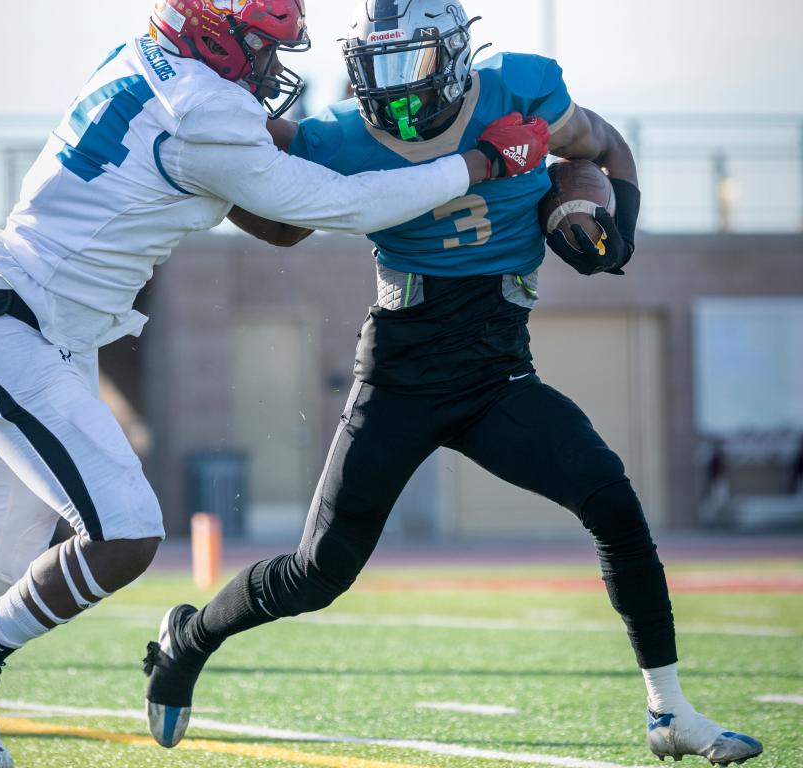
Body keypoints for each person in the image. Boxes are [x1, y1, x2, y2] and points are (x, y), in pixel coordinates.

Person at [0, 1, 547, 766]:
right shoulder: (205, 108)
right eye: (260, 44)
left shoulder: (142, 62)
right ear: (214, 30)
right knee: (125, 533)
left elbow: (279, 221)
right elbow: (337, 208)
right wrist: (477, 165)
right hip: (16, 330)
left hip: (25, 323)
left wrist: (296, 171)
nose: (271, 67)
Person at [142, 1, 764, 765]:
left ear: (458, 54)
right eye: (382, 64)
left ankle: (668, 710)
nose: (397, 88)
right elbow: (280, 216)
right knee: (317, 574)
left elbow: (603, 147)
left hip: (497, 370)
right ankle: (190, 637)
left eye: (414, 63)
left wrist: (610, 228)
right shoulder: (340, 135)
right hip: (401, 372)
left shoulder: (523, 89)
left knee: (612, 500)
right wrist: (198, 162)